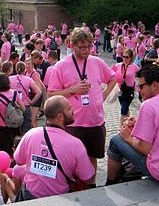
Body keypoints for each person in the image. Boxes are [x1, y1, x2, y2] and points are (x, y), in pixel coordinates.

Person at [47, 28, 116, 187]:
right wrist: (73, 90)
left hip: (95, 121)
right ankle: (74, 187)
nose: (86, 50)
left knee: (92, 157)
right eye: (82, 47)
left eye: (88, 46)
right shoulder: (61, 66)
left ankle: (91, 186)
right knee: (72, 159)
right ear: (72, 45)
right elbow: (51, 95)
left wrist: (104, 94)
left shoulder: (97, 62)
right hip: (73, 123)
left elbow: (113, 78)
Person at [13, 96, 94, 201]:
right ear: (60, 116)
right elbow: (88, 178)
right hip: (60, 199)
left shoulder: (31, 134)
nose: (73, 110)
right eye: (69, 108)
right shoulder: (75, 144)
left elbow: (19, 161)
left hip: (30, 196)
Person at [0, 73, 25, 156]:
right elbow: (23, 108)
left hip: (2, 128)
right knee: (15, 148)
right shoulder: (15, 94)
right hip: (15, 125)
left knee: (5, 151)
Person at [10, 61, 42, 134]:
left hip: (14, 106)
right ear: (25, 70)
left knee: (13, 129)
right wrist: (32, 102)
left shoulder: (10, 78)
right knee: (25, 130)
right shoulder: (28, 80)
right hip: (25, 106)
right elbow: (39, 92)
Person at [111, 49, 139, 123]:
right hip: (120, 90)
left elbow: (140, 77)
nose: (125, 59)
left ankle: (121, 128)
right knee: (125, 108)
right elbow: (111, 75)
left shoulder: (135, 67)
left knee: (123, 109)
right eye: (123, 56)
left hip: (129, 90)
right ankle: (128, 124)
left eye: (127, 57)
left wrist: (137, 87)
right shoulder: (117, 65)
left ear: (131, 58)